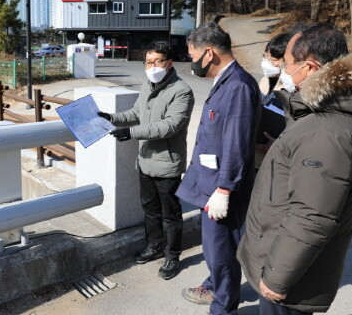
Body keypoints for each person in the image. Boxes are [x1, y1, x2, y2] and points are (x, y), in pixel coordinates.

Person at [237, 23, 352, 315]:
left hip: (290, 281)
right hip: (286, 259)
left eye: (288, 64)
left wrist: (276, 278)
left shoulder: (326, 132)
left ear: (310, 67)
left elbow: (312, 216)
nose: (283, 71)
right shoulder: (322, 119)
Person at [176, 22, 260, 315]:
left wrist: (224, 189)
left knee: (221, 250)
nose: (192, 62)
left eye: (192, 55)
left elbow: (237, 143)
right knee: (216, 249)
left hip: (222, 188)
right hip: (211, 183)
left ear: (209, 53)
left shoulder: (237, 85)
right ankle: (216, 288)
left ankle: (224, 308)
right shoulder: (226, 80)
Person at [98, 42, 194, 280]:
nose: (152, 67)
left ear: (169, 63)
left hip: (167, 162)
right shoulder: (147, 84)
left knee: (170, 214)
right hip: (145, 160)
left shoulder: (181, 91)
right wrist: (110, 117)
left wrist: (131, 133)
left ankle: (172, 256)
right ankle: (154, 246)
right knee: (150, 210)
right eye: (148, 62)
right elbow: (135, 114)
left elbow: (170, 126)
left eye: (157, 61)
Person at [255, 33, 292, 164]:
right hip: (255, 158)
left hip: (279, 160)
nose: (267, 63)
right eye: (266, 57)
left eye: (273, 60)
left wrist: (277, 145)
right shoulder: (265, 81)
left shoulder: (295, 89)